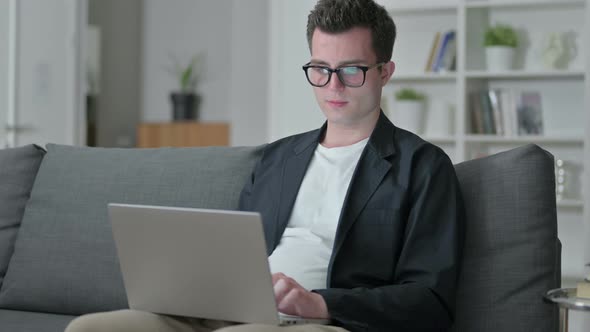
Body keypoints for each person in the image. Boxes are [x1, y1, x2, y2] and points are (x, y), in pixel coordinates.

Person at [65, 0, 464, 331]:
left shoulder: (423, 167)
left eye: (351, 71)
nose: (333, 86)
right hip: (232, 313)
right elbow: (235, 253)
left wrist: (321, 305)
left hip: (326, 323)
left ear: (384, 73)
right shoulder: (276, 159)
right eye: (321, 70)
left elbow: (429, 300)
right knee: (90, 328)